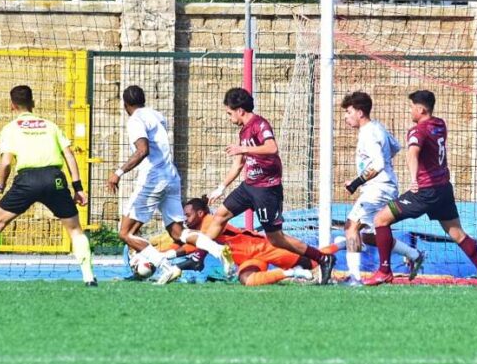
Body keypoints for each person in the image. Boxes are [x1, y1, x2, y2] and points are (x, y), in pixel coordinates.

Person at [188, 88, 335, 285]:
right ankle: (198, 257)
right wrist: (221, 187)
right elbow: (239, 164)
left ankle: (322, 258)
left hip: (267, 189)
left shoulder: (260, 124)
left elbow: (272, 148)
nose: (228, 117)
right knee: (220, 216)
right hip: (249, 186)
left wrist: (243, 148)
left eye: (229, 113)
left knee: (276, 239)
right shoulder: (243, 131)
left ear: (240, 110)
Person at [0, 85, 96, 287]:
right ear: (33, 103)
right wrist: (78, 189)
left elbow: (6, 163)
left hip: (27, 181)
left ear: (12, 105)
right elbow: (69, 155)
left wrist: (1, 184)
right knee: (75, 229)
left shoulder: (10, 129)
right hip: (54, 179)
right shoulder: (51, 126)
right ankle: (89, 278)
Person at [366, 90, 477, 287]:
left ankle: (384, 271)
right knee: (457, 233)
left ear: (420, 109)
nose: (410, 111)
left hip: (425, 192)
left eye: (411, 107)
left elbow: (412, 154)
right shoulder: (440, 124)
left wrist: (413, 179)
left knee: (380, 219)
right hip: (443, 190)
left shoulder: (417, 131)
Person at [105, 85, 221, 285]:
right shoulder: (156, 115)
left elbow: (143, 150)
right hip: (171, 177)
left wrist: (118, 172)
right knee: (178, 233)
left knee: (125, 233)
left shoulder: (135, 120)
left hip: (153, 179)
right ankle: (217, 249)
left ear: (125, 104)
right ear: (143, 100)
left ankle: (165, 267)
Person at [338, 91, 424, 285]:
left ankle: (354, 278)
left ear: (360, 113)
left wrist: (356, 182)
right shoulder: (377, 127)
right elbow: (395, 147)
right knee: (369, 236)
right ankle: (414, 254)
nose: (345, 117)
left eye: (349, 112)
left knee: (351, 226)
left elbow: (378, 164)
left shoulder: (368, 133)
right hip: (386, 186)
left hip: (377, 189)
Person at [171, 197, 323, 286]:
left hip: (261, 248)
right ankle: (291, 273)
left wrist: (173, 259)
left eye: (188, 215)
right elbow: (192, 247)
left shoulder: (209, 221)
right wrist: (167, 255)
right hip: (248, 258)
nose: (185, 219)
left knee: (313, 264)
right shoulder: (199, 231)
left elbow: (197, 246)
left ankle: (333, 271)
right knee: (246, 279)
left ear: (200, 213)